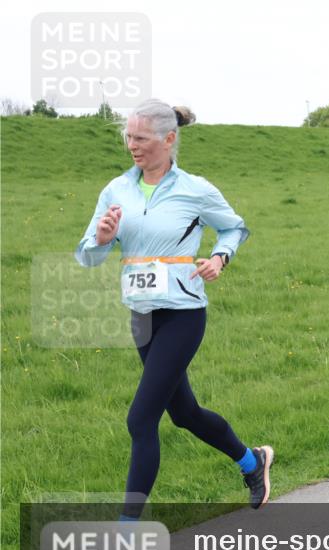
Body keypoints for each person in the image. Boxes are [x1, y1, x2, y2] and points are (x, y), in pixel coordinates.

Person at [75, 99, 272, 519]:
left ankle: (126, 528)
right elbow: (87, 256)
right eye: (129, 136)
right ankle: (253, 462)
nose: (133, 145)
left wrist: (219, 257)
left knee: (140, 419)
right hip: (142, 316)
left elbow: (234, 227)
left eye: (142, 138)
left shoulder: (195, 189)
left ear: (169, 139)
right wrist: (103, 237)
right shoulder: (116, 190)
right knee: (183, 413)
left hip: (183, 313)